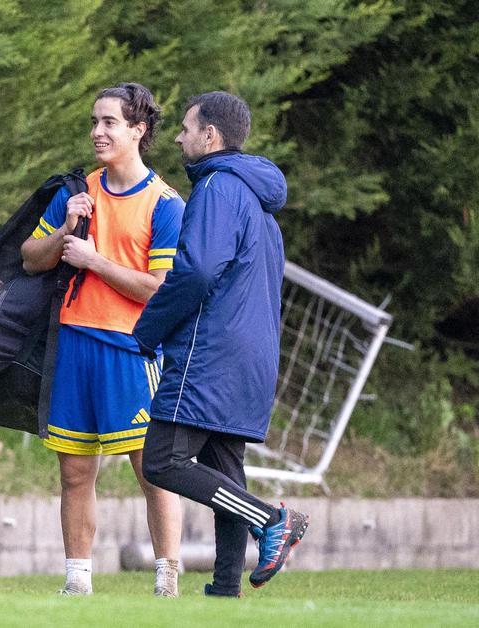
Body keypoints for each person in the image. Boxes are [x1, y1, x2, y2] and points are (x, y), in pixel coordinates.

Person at [135, 91, 308, 597]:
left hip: (208, 351)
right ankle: (224, 591)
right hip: (251, 355)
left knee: (162, 460)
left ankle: (274, 519)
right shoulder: (257, 200)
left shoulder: (215, 187)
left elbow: (197, 271)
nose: (178, 136)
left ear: (210, 136)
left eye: (186, 128)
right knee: (223, 471)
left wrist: (149, 329)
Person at [21, 83, 185, 597]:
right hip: (72, 345)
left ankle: (167, 578)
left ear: (139, 130)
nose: (97, 131)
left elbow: (158, 288)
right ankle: (77, 582)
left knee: (152, 471)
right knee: (74, 473)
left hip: (131, 353)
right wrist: (65, 227)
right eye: (95, 121)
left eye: (110, 122)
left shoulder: (165, 204)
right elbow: (31, 257)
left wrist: (93, 260)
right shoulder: (76, 190)